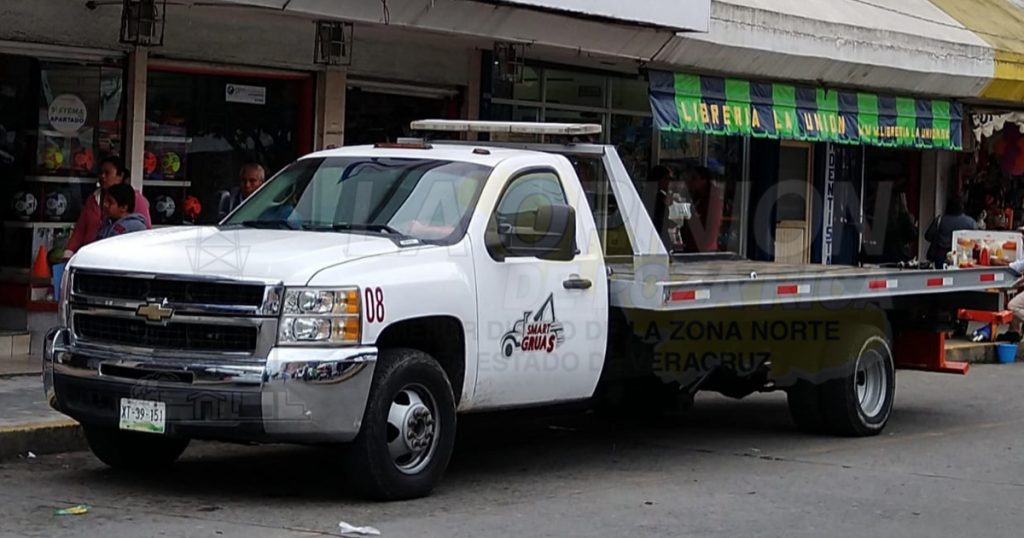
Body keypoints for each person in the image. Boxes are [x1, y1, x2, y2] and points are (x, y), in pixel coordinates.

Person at [63, 156, 151, 259]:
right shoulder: (93, 198)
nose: (102, 176)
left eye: (107, 173)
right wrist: (68, 252)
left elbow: (145, 234)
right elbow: (80, 229)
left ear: (120, 176)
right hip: (89, 257)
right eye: (101, 173)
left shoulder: (135, 199)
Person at [680, 166, 724, 253]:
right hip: (692, 245)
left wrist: (705, 248)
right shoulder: (696, 198)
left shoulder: (712, 199)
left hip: (703, 249)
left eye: (694, 178)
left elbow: (712, 226)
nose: (690, 182)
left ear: (704, 180)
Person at [924, 196, 977, 267]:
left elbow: (928, 236)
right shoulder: (971, 222)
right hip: (963, 257)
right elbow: (976, 241)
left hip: (941, 257)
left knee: (941, 276)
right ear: (962, 207)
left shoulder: (940, 220)